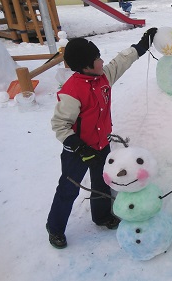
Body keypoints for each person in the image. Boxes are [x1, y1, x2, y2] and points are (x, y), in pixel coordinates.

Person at [46, 27, 158, 249]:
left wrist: (142, 45)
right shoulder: (72, 92)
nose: (102, 60)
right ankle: (55, 227)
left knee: (102, 182)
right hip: (77, 151)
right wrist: (78, 147)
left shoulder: (102, 77)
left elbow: (120, 62)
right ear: (85, 66)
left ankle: (101, 216)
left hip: (100, 145)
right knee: (69, 188)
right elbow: (60, 125)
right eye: (97, 58)